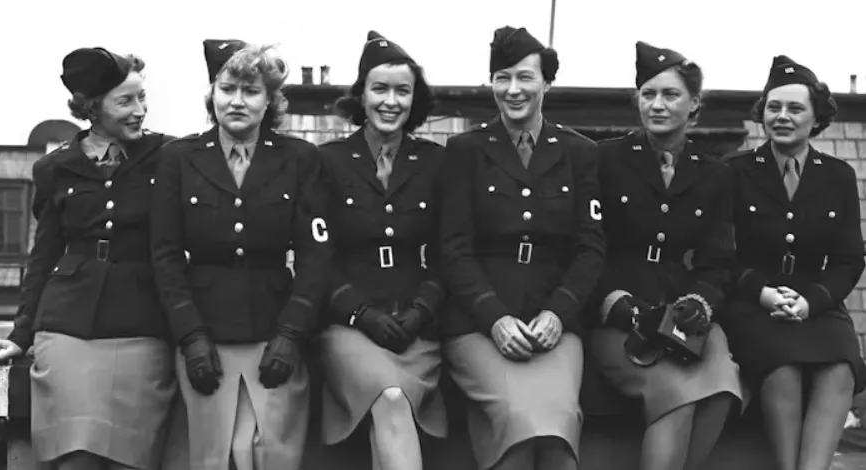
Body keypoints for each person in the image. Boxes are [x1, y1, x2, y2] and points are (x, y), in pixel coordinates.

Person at [0, 47, 176, 470]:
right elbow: (44, 255)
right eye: (126, 101)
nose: (140, 110)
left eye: (143, 98)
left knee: (132, 456)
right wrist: (20, 333)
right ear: (92, 107)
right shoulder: (55, 168)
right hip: (67, 324)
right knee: (76, 458)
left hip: (142, 323)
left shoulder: (168, 157)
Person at [149, 40, 330, 470]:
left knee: (267, 452)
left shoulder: (300, 158)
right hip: (205, 330)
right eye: (227, 88)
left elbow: (316, 255)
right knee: (217, 454)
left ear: (270, 100)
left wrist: (291, 333)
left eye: (251, 91)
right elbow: (165, 255)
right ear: (212, 93)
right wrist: (191, 336)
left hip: (275, 327)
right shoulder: (178, 158)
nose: (237, 101)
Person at [438, 26, 605, 470]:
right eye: (502, 77)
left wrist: (558, 313)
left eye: (525, 78)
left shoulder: (579, 153)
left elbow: (591, 248)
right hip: (478, 322)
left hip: (554, 322)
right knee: (516, 419)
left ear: (546, 83)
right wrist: (494, 319)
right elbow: (453, 249)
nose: (513, 90)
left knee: (558, 424)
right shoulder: (464, 151)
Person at [587, 41, 743, 470]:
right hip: (619, 314)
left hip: (684, 312)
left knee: (722, 388)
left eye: (671, 95)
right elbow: (585, 247)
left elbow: (718, 260)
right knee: (675, 396)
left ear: (694, 104)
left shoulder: (714, 174)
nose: (657, 105)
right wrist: (613, 302)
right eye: (648, 94)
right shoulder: (603, 160)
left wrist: (699, 302)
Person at [722, 55, 866, 470]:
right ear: (762, 112)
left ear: (816, 117)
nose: (782, 117)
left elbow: (848, 259)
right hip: (753, 302)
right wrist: (763, 295)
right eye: (774, 107)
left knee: (841, 366)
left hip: (816, 303)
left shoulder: (837, 175)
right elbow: (719, 256)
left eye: (795, 108)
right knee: (781, 367)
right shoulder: (734, 172)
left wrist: (812, 303)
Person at [318, 31, 447, 470]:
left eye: (402, 91)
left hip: (417, 333)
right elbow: (317, 256)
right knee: (390, 397)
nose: (390, 101)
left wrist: (420, 312)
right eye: (380, 89)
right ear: (362, 95)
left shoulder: (436, 162)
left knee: (396, 404)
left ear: (415, 99)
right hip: (350, 330)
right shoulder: (328, 162)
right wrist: (360, 313)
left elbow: (452, 252)